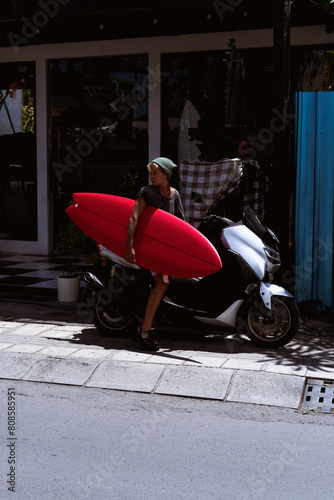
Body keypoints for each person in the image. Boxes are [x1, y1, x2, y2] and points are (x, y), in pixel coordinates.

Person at [124, 157, 185, 351]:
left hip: (165, 248)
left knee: (169, 283)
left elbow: (181, 224)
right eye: (150, 173)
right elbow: (134, 218)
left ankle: (147, 323)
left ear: (166, 174)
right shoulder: (146, 193)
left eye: (155, 173)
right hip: (148, 246)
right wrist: (129, 246)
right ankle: (145, 331)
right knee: (162, 282)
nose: (151, 177)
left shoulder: (175, 195)